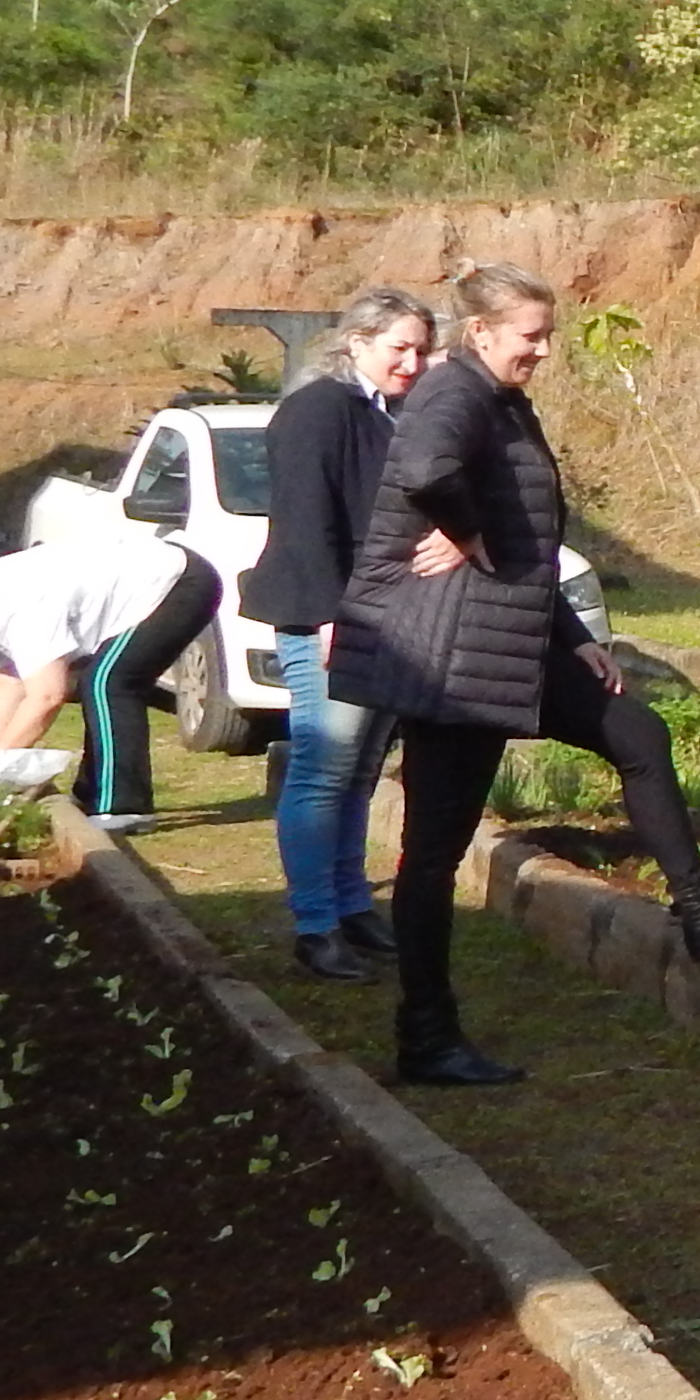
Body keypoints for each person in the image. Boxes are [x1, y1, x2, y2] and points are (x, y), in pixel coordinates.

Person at [331, 263, 700, 1091]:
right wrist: (468, 535)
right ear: (481, 332)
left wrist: (573, 632)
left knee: (638, 732)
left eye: (547, 336)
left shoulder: (503, 400)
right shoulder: (456, 393)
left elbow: (528, 532)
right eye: (531, 336)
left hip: (508, 639)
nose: (544, 350)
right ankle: (426, 1036)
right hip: (451, 659)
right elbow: (430, 471)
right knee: (432, 853)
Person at [234, 284, 439, 971]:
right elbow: (305, 519)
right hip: (330, 617)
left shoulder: (391, 413)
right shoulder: (316, 411)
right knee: (323, 770)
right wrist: (328, 615)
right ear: (358, 342)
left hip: (384, 615)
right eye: (399, 348)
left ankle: (352, 908)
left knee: (358, 774)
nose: (411, 363)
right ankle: (315, 925)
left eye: (420, 350)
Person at [0, 529, 222, 831]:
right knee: (102, 682)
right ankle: (92, 792)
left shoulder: (24, 606)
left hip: (180, 583)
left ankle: (125, 807)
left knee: (108, 683)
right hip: (145, 586)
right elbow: (6, 680)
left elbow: (46, 697)